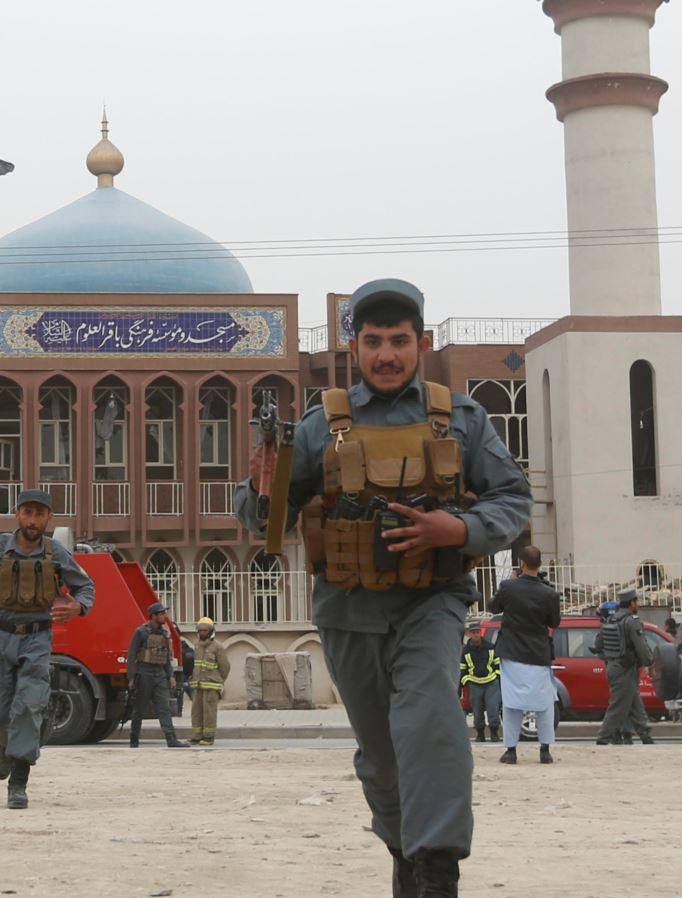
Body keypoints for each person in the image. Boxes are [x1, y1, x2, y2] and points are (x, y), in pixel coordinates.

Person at [236, 278, 531, 898]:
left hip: (432, 602)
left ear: (421, 343)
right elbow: (271, 525)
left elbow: (513, 500)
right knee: (381, 754)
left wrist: (459, 528)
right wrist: (262, 485)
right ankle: (405, 848)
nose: (388, 354)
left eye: (400, 340)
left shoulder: (463, 420)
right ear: (355, 346)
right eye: (374, 341)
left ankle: (437, 867)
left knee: (430, 726)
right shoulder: (321, 427)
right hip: (348, 608)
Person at [0, 489, 95, 809]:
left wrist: (80, 607)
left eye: (40, 514)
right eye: (27, 513)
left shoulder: (56, 553)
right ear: (18, 515)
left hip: (36, 637)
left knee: (30, 706)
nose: (33, 520)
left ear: (49, 518)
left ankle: (18, 783)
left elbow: (85, 586)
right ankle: (7, 747)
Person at [488, 546, 561, 765]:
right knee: (545, 702)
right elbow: (554, 623)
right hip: (538, 653)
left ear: (521, 564)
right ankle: (545, 750)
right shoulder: (549, 593)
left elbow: (493, 607)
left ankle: (511, 751)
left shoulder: (509, 587)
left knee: (511, 702)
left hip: (511, 651)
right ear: (540, 564)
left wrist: (508, 583)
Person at [593, 587, 655, 745]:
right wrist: (649, 663)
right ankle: (603, 738)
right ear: (631, 603)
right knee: (618, 706)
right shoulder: (632, 622)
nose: (638, 605)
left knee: (634, 702)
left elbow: (598, 644)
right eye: (637, 602)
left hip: (613, 666)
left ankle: (646, 735)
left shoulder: (610, 620)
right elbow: (642, 646)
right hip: (624, 669)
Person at [128, 602, 187, 748]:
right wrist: (131, 678)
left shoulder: (165, 633)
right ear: (153, 616)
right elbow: (132, 655)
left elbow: (166, 657)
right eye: (161, 614)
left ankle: (171, 739)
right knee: (139, 709)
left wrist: (171, 676)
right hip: (144, 673)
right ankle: (134, 740)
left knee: (164, 708)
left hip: (160, 674)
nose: (164, 616)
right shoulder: (141, 632)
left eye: (164, 613)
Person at [189, 617, 230, 745]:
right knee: (196, 712)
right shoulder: (197, 646)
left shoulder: (217, 647)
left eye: (205, 630)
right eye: (200, 630)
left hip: (212, 686)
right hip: (198, 685)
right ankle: (197, 736)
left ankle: (208, 737)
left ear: (211, 631)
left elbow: (225, 667)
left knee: (209, 713)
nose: (202, 633)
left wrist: (218, 680)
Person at [459, 624, 501, 743]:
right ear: (469, 634)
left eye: (477, 632)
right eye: (473, 632)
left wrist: (497, 676)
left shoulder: (490, 647)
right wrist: (465, 680)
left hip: (491, 682)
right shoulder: (465, 651)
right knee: (477, 711)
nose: (476, 634)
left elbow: (497, 663)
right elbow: (462, 668)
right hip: (474, 684)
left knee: (493, 708)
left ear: (480, 633)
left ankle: (494, 733)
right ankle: (480, 734)